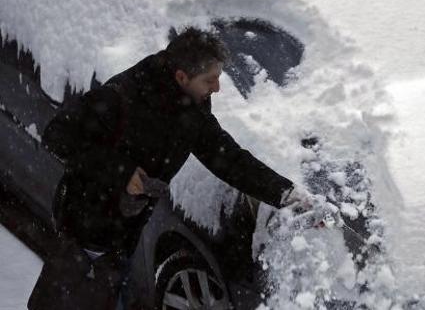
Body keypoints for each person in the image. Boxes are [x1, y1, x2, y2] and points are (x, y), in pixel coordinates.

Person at [27, 26, 313, 309]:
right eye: (210, 80)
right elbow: (57, 135)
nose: (217, 87)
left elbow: (226, 156)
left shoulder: (192, 103)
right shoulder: (122, 95)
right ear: (181, 77)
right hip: (89, 224)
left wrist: (284, 193)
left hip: (126, 229)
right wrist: (122, 172)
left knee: (109, 294)